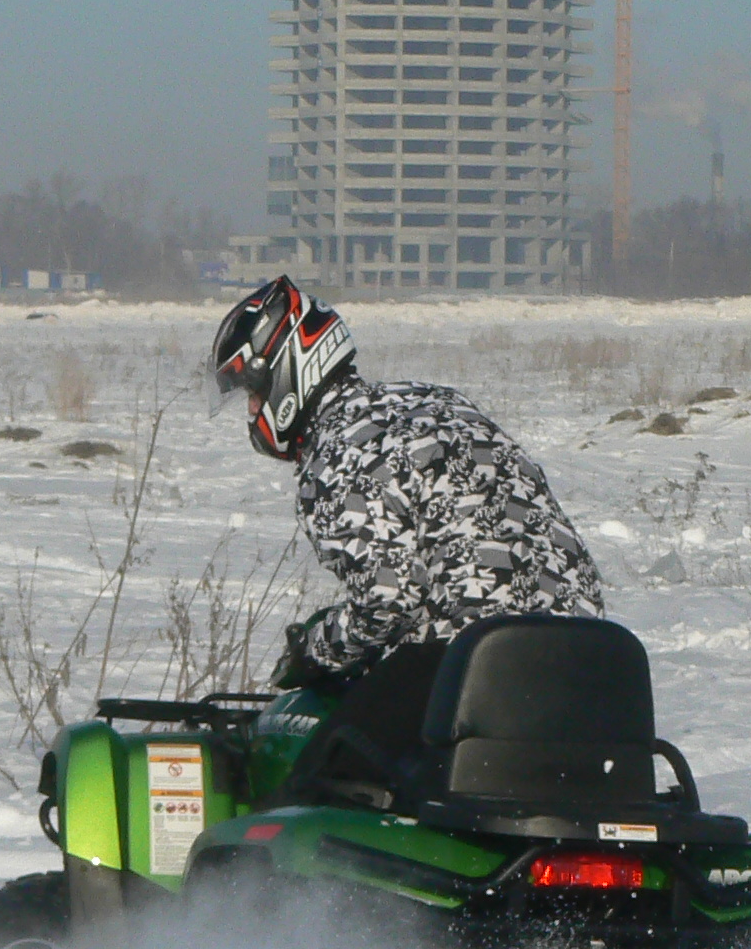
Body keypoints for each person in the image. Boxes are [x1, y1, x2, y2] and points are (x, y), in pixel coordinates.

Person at [209, 275, 603, 695]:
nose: (252, 411)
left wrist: (313, 652)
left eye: (252, 393)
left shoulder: (336, 451)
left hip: (475, 665)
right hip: (583, 649)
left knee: (327, 747)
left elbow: (386, 600)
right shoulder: (435, 400)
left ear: (284, 373)